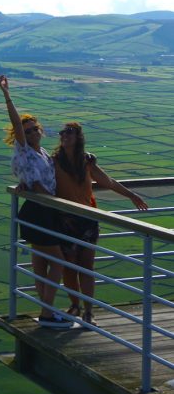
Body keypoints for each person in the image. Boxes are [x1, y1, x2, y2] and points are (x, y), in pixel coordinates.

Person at [54, 122, 148, 325]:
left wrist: (131, 195)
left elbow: (108, 182)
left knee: (86, 267)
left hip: (86, 220)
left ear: (78, 137)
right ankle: (75, 305)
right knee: (69, 268)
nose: (64, 136)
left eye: (69, 132)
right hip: (65, 220)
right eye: (62, 133)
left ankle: (88, 311)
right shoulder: (54, 162)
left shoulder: (86, 163)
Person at [0, 75, 71, 328]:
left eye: (33, 130)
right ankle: (48, 313)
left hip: (43, 210)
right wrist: (7, 95)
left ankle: (47, 311)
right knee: (59, 261)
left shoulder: (42, 153)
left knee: (42, 265)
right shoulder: (24, 149)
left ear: (41, 130)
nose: (29, 133)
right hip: (39, 211)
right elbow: (16, 123)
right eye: (26, 132)